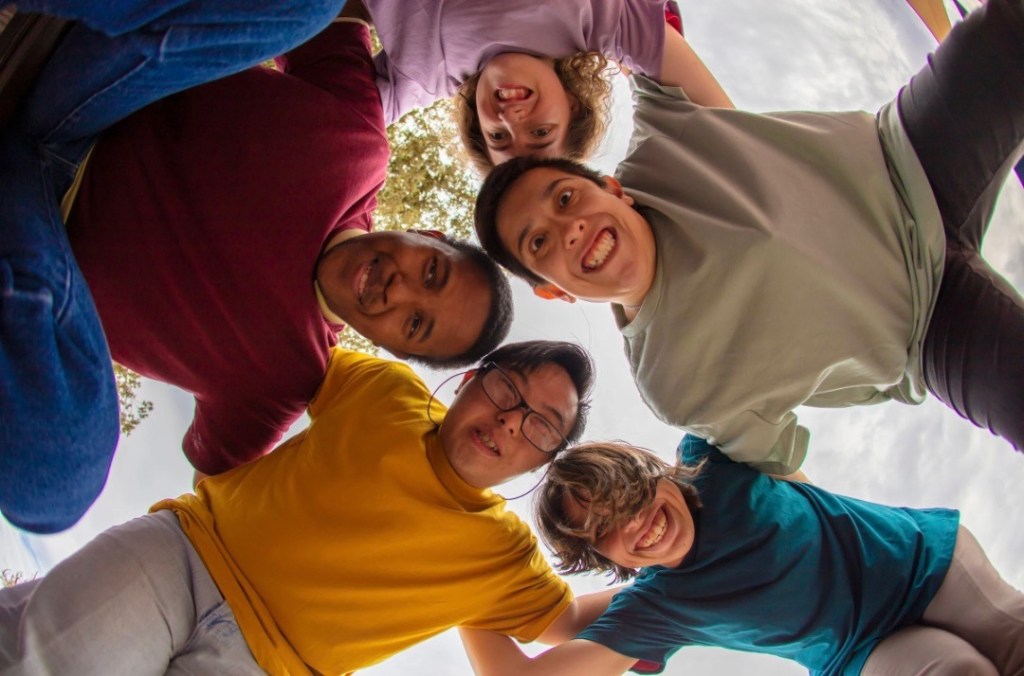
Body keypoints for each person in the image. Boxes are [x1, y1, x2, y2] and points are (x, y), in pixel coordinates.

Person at [0, 18, 513, 534]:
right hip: (91, 91)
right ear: (431, 235)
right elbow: (331, 18)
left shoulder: (284, 381)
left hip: (37, 239)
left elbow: (217, 488)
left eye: (416, 323)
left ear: (393, 345)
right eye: (430, 271)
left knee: (61, 489)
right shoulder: (357, 141)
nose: (398, 291)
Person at [473, 0, 1024, 476]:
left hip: (913, 155)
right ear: (554, 292)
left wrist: (504, 67)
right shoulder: (677, 384)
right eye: (539, 244)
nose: (569, 230)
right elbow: (786, 482)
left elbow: (625, 25)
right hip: (935, 330)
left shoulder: (669, 135)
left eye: (566, 198)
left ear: (614, 190)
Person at [0, 340, 622, 674]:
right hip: (183, 557)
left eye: (541, 426)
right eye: (508, 389)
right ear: (468, 381)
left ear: (540, 462)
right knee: (44, 662)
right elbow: (284, 350)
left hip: (268, 668)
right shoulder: (385, 390)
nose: (512, 421)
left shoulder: (503, 554)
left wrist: (691, 574)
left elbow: (566, 624)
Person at [460, 437, 1024, 675]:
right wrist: (455, 587)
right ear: (609, 557)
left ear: (655, 471)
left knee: (1011, 634)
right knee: (959, 671)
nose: (636, 522)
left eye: (629, 494)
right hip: (864, 647)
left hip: (922, 564)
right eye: (605, 528)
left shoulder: (711, 455)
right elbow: (549, 637)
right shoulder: (656, 607)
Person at [360, 0, 733, 174]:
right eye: (540, 132)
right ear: (572, 104)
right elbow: (723, 132)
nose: (511, 119)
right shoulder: (602, 20)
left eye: (499, 137)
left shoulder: (425, 73)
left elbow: (343, 124)